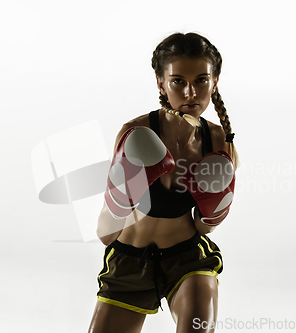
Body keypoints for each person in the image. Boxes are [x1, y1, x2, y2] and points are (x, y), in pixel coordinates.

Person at [87, 32, 240, 333]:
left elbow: (202, 226)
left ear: (215, 81)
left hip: (188, 259)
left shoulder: (220, 142)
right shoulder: (136, 133)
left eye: (201, 80)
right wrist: (122, 196)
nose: (191, 93)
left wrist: (215, 211)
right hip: (129, 260)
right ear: (161, 83)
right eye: (178, 81)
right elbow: (105, 234)